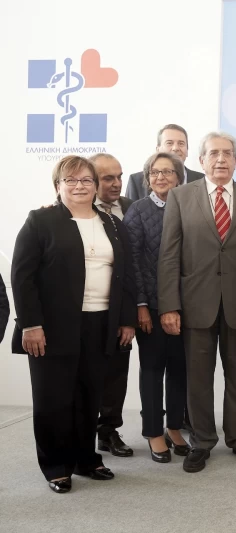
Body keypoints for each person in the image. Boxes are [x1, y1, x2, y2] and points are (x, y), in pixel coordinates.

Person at [11, 156, 136, 493]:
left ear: (95, 186)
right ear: (58, 186)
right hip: (51, 327)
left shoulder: (112, 223)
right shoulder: (41, 220)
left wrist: (126, 320)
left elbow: (126, 275)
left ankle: (86, 459)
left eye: (86, 180)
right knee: (53, 399)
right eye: (71, 180)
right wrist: (30, 325)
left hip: (101, 323)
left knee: (89, 396)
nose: (79, 186)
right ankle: (56, 466)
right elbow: (22, 277)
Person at [158, 131, 236, 473]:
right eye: (214, 153)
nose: (221, 159)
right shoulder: (180, 197)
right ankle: (202, 441)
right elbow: (169, 256)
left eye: (227, 153)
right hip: (195, 304)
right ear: (201, 160)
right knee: (198, 377)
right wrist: (169, 305)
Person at [123, 152, 190, 463]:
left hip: (185, 305)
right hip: (149, 306)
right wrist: (140, 305)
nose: (160, 177)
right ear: (147, 178)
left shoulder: (189, 206)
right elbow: (132, 262)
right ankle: (153, 431)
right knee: (152, 369)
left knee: (180, 369)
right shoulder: (138, 210)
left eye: (167, 172)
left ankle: (174, 427)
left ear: (179, 176)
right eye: (154, 172)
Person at [89, 153, 135, 457]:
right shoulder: (72, 210)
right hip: (84, 309)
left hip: (120, 309)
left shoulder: (132, 208)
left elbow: (133, 267)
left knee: (116, 375)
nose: (117, 183)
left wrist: (129, 317)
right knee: (85, 376)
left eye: (119, 176)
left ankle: (108, 432)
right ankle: (81, 434)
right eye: (108, 178)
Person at [126, 124, 204, 202]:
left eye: (181, 143)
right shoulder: (136, 181)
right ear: (158, 149)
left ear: (187, 150)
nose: (176, 148)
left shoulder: (202, 180)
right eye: (169, 143)